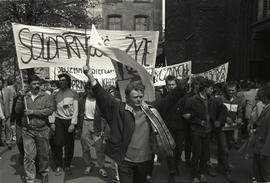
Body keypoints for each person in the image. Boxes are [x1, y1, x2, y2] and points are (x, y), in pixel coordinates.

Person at [83, 65, 186, 183]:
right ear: (127, 98)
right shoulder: (119, 109)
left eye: (141, 97)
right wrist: (90, 77)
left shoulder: (150, 110)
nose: (138, 100)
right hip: (125, 162)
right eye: (135, 97)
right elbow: (103, 96)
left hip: (144, 162)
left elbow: (168, 100)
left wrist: (182, 84)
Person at [184, 77, 226, 183]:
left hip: (208, 131)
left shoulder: (212, 100)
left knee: (205, 154)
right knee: (197, 153)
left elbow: (223, 109)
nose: (212, 90)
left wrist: (219, 121)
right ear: (205, 88)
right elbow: (186, 115)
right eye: (211, 88)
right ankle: (194, 176)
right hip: (196, 131)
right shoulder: (192, 100)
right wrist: (198, 121)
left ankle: (201, 173)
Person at [15, 75, 54, 183]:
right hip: (28, 131)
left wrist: (33, 112)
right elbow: (18, 111)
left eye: (38, 84)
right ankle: (30, 178)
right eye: (34, 84)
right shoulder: (25, 97)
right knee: (29, 156)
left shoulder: (46, 96)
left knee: (43, 154)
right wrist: (19, 98)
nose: (37, 86)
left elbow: (50, 110)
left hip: (42, 130)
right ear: (29, 85)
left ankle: (44, 173)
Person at [78, 82, 108, 177]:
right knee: (85, 147)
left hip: (97, 123)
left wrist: (103, 128)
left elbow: (104, 116)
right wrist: (79, 127)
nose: (92, 91)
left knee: (99, 147)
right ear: (86, 90)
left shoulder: (100, 100)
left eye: (93, 89)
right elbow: (79, 114)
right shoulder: (81, 100)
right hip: (85, 123)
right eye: (90, 89)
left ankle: (101, 167)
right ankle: (88, 165)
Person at [216, 81, 243, 183]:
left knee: (225, 148)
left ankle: (220, 165)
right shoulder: (220, 99)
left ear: (236, 90)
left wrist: (240, 119)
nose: (231, 92)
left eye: (233, 90)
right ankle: (227, 172)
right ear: (225, 90)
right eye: (229, 90)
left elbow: (239, 112)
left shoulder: (238, 100)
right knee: (225, 149)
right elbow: (216, 113)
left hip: (231, 129)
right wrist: (225, 118)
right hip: (221, 128)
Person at [53, 73, 78, 175]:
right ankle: (58, 164)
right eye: (60, 80)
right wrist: (52, 122)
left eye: (63, 80)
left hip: (69, 121)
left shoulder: (73, 93)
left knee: (69, 144)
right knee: (58, 144)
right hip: (58, 120)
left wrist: (73, 124)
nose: (61, 82)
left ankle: (67, 164)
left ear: (68, 81)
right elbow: (53, 108)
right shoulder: (55, 93)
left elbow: (76, 109)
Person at [163, 75, 187, 183]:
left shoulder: (182, 97)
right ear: (166, 86)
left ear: (176, 85)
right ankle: (172, 170)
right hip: (168, 129)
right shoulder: (163, 98)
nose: (171, 87)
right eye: (169, 85)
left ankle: (176, 163)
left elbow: (187, 109)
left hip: (180, 128)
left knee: (179, 150)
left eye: (173, 84)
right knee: (170, 150)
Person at [253, 82, 270, 182]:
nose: (260, 93)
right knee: (258, 174)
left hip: (264, 150)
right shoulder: (266, 108)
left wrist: (265, 151)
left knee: (265, 177)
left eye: (262, 91)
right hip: (259, 148)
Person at [0, 77, 6, 146]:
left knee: (2, 127)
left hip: (3, 112)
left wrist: (2, 115)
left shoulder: (5, 91)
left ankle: (2, 139)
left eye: (1, 82)